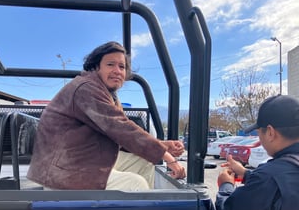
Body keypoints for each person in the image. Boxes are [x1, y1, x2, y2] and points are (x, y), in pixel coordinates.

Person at [27, 41, 185, 190]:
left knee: (144, 162)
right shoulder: (86, 88)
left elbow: (122, 137)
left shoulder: (108, 94)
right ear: (96, 67)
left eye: (122, 67)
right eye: (110, 64)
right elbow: (122, 129)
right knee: (135, 184)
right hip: (64, 170)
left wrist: (163, 145)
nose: (117, 71)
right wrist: (169, 158)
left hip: (83, 159)